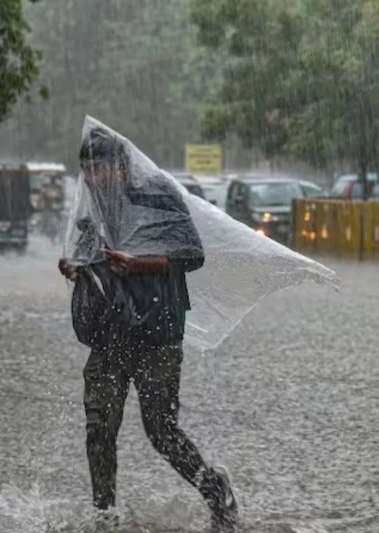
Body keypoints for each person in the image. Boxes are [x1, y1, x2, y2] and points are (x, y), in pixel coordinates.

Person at [58, 128, 238, 531]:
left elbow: (192, 255)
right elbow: (88, 260)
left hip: (157, 331)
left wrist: (139, 264)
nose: (91, 177)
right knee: (99, 428)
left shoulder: (158, 196)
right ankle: (105, 516)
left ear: (122, 166)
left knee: (161, 431)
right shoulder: (92, 208)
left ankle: (216, 491)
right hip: (110, 332)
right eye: (85, 169)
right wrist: (74, 269)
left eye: (99, 167)